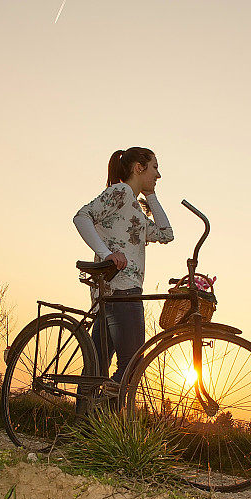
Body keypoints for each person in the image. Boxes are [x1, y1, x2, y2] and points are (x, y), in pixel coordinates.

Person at [73, 147, 174, 385]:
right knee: (132, 365)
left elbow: (166, 233)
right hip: (123, 291)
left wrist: (150, 196)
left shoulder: (134, 208)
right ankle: (108, 417)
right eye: (154, 168)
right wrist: (107, 254)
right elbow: (81, 217)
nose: (158, 175)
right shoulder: (120, 191)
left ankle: (84, 421)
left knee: (96, 370)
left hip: (112, 294)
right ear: (139, 168)